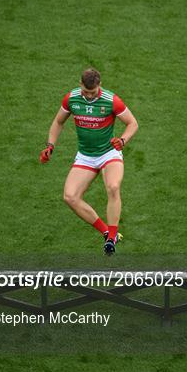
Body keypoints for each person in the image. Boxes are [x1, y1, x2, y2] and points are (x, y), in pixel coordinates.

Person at [40, 68, 138, 255]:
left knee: (113, 187)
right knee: (70, 197)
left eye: (92, 92)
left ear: (99, 86)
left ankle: (112, 237)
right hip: (86, 156)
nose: (88, 95)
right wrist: (50, 145)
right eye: (85, 91)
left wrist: (123, 140)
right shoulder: (72, 99)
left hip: (109, 153)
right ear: (80, 85)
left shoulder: (111, 100)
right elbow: (58, 122)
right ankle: (107, 233)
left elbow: (133, 123)